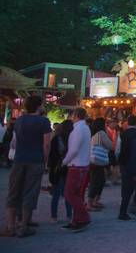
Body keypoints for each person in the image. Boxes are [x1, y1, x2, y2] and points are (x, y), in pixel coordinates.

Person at [1, 96, 52, 237]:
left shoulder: (19, 121)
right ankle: (23, 226)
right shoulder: (44, 122)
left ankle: (9, 227)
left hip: (19, 159)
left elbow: (15, 141)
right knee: (30, 192)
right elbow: (46, 145)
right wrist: (45, 161)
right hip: (35, 160)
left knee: (13, 192)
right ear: (39, 106)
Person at [62, 107, 92, 232]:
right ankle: (76, 220)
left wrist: (64, 162)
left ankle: (83, 217)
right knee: (77, 195)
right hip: (83, 164)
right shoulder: (85, 128)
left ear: (75, 116)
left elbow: (73, 150)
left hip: (76, 165)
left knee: (69, 194)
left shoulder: (77, 130)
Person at [117, 115, 136, 220]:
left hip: (123, 164)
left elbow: (118, 150)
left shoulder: (122, 134)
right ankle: (127, 210)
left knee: (125, 189)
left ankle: (123, 210)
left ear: (127, 122)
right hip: (133, 165)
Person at [48, 120, 73, 223]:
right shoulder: (71, 139)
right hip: (68, 168)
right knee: (68, 193)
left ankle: (54, 216)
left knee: (56, 195)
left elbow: (51, 155)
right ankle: (69, 215)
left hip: (56, 168)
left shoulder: (55, 139)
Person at [88, 118, 113, 212]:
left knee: (98, 181)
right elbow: (110, 145)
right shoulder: (101, 134)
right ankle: (91, 202)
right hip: (98, 161)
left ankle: (94, 201)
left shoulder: (93, 134)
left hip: (93, 161)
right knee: (97, 182)